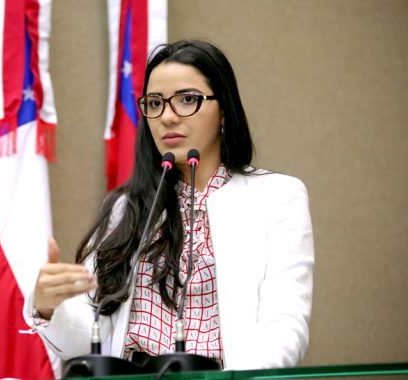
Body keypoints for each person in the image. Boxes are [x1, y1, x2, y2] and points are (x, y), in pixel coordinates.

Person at [23, 39, 314, 371]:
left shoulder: (277, 196)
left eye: (187, 100)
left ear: (224, 110)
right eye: (155, 103)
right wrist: (48, 307)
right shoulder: (125, 206)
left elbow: (285, 326)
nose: (168, 117)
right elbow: (92, 339)